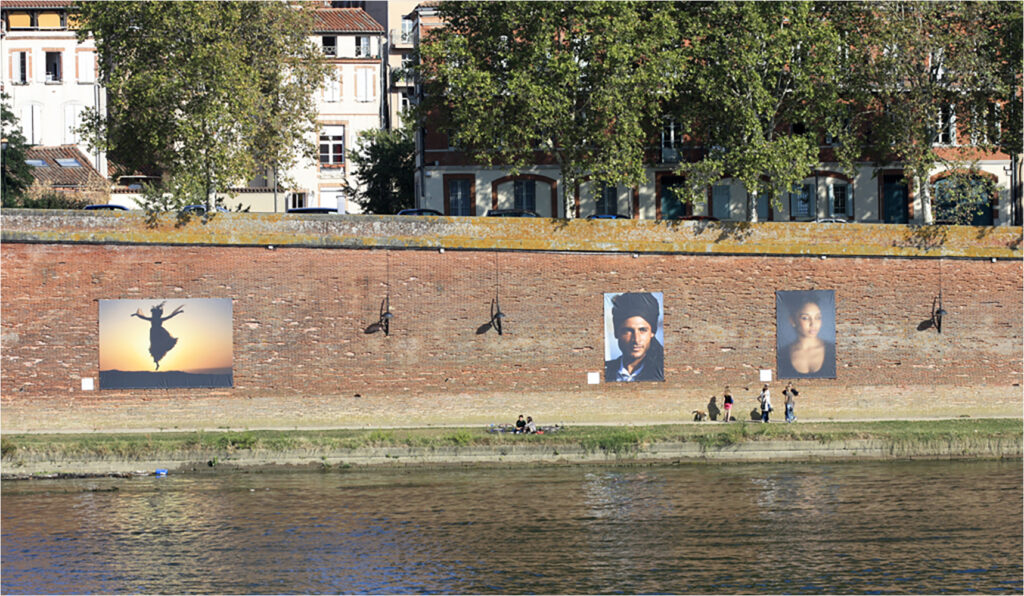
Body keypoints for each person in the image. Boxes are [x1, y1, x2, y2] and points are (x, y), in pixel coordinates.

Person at [604, 292, 665, 382]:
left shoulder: (663, 372)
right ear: (616, 332)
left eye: (642, 330)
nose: (636, 340)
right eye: (628, 331)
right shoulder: (604, 372)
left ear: (652, 332)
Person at [779, 293, 836, 379]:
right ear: (792, 320)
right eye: (805, 318)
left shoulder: (833, 351)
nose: (813, 324)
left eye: (817, 317)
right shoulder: (781, 355)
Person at [130, 301, 184, 370]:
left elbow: (170, 316)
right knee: (154, 348)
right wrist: (135, 314)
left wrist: (178, 312)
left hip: (159, 333)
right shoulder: (154, 319)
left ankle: (157, 362)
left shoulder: (157, 319)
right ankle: (157, 363)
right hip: (154, 333)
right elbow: (143, 317)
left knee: (158, 347)